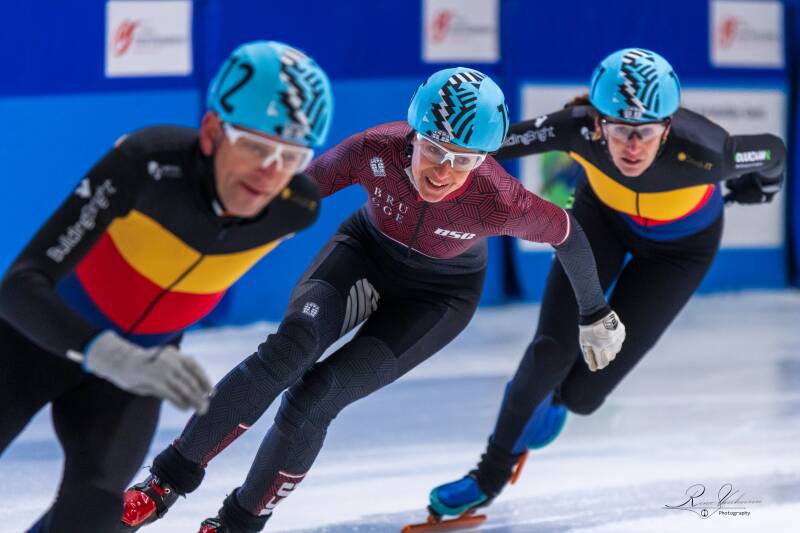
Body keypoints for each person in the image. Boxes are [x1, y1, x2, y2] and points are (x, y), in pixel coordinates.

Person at [118, 66, 626, 533]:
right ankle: (163, 483)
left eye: (465, 160)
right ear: (412, 136)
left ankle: (237, 525)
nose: (444, 171)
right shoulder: (375, 149)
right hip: (363, 255)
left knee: (317, 398)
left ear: (485, 160)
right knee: (288, 351)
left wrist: (594, 311)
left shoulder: (499, 199)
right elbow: (299, 195)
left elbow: (568, 234)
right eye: (434, 150)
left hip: (437, 297)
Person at [423, 48, 786, 524]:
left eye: (646, 132)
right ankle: (487, 477)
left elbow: (772, 152)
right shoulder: (574, 127)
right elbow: (491, 141)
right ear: (597, 123)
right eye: (618, 130)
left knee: (583, 395)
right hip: (601, 223)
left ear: (668, 128)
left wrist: (764, 183)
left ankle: (555, 398)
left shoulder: (710, 152)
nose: (632, 147)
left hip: (679, 253)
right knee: (549, 353)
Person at [0, 40, 333, 533]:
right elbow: (18, 287)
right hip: (32, 344)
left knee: (90, 518)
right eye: (256, 146)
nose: (271, 171)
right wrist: (102, 350)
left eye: (292, 155)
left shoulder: (296, 208)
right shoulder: (146, 165)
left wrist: (135, 356)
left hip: (136, 373)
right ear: (212, 131)